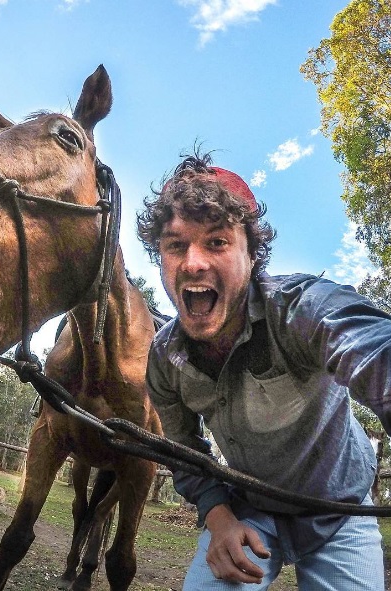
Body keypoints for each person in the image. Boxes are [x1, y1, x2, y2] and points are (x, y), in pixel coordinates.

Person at [136, 151, 388, 590]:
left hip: (342, 511)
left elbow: (369, 346)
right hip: (248, 512)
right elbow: (181, 450)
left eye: (216, 242)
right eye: (176, 245)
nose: (193, 262)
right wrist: (218, 519)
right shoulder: (163, 358)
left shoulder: (299, 309)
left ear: (252, 256)